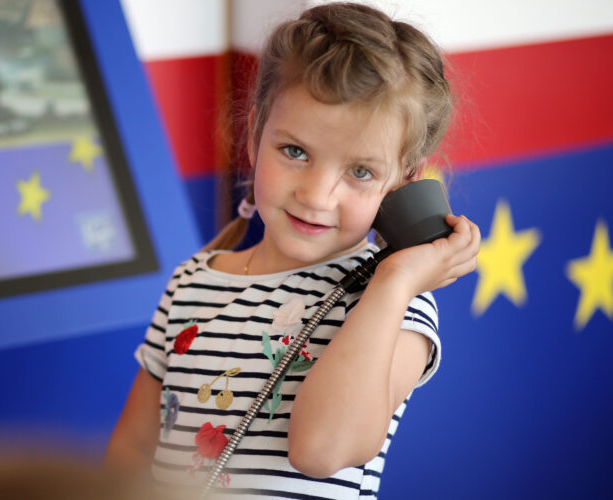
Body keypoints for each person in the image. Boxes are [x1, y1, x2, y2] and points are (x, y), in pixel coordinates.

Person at [104, 2, 480, 498]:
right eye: (295, 151)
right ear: (257, 132)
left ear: (405, 182)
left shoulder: (398, 303)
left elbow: (321, 450)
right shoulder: (192, 281)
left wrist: (393, 283)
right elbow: (129, 454)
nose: (317, 196)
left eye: (360, 172)